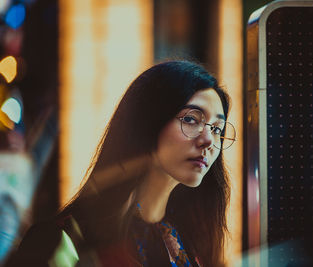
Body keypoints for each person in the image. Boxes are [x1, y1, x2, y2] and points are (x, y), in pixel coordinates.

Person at [6, 60, 236, 267]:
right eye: (190, 119)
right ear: (148, 122)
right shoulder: (64, 241)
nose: (208, 140)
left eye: (217, 129)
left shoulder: (188, 245)